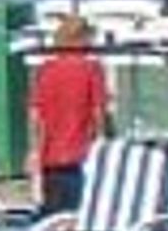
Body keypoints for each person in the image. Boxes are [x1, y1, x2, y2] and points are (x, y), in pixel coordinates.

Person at [31, 12, 113, 216]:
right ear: (82, 39)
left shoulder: (45, 70)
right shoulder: (91, 69)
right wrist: (106, 147)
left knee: (51, 221)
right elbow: (98, 114)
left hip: (49, 159)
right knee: (80, 220)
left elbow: (35, 116)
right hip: (81, 158)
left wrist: (34, 153)